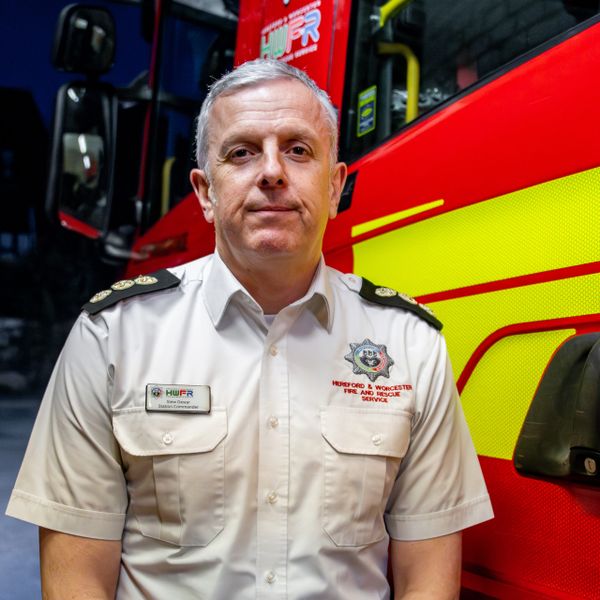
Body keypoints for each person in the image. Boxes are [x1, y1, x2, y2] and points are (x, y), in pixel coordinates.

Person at [6, 59, 493, 599]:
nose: (272, 172)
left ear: (335, 187)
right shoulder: (111, 339)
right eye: (241, 152)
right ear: (205, 193)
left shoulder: (409, 345)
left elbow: (427, 577)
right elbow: (77, 579)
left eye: (298, 150)